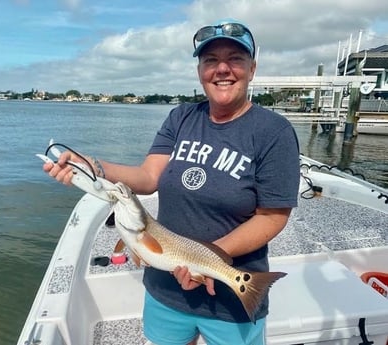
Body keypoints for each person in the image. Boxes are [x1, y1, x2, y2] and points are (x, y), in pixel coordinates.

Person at [44, 19, 300, 345]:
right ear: (199, 71)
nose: (223, 69)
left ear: (252, 68)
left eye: (235, 59)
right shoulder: (181, 117)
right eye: (210, 60)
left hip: (231, 297)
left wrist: (206, 259)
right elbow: (149, 177)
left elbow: (272, 217)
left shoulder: (273, 132)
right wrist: (93, 165)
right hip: (165, 288)